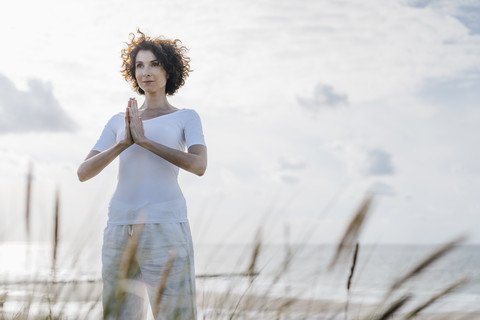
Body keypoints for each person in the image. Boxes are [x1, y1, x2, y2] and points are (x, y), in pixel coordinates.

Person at [77, 30, 207, 320]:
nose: (146, 72)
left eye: (154, 64)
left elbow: (198, 165)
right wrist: (124, 142)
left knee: (174, 314)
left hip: (165, 224)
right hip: (119, 227)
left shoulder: (186, 117)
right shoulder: (118, 121)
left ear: (169, 70)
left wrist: (146, 142)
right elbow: (83, 172)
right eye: (139, 65)